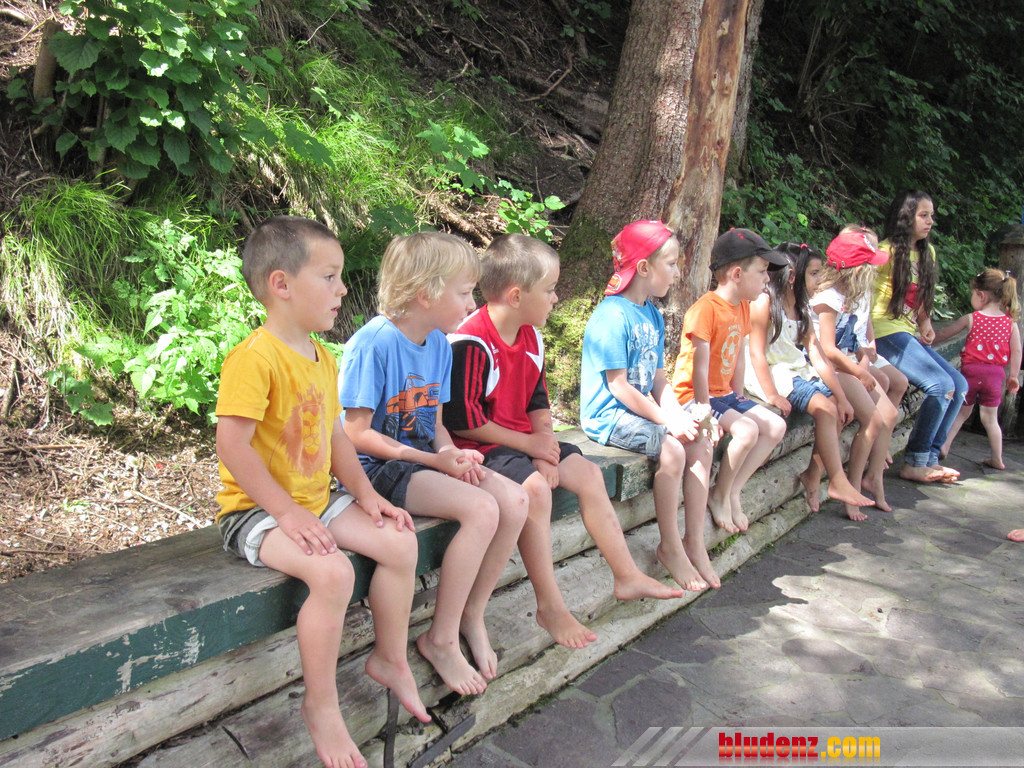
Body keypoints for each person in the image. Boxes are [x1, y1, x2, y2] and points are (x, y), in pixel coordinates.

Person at [215, 216, 429, 768]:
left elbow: (335, 437)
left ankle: (389, 658)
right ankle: (322, 704)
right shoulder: (255, 357)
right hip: (257, 512)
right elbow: (232, 446)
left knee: (400, 542)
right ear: (282, 284)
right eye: (330, 277)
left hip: (317, 499)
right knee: (333, 573)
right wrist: (285, 513)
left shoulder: (322, 356)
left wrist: (366, 494)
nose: (342, 289)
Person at [445, 232, 684, 650]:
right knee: (537, 491)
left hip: (524, 441)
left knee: (588, 474)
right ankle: (550, 606)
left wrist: (545, 445)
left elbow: (537, 401)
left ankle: (626, 574)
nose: (556, 298)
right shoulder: (471, 342)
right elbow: (464, 422)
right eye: (550, 289)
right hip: (483, 449)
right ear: (516, 296)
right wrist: (532, 449)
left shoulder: (532, 336)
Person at [340, 231, 529, 696]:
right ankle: (440, 639)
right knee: (481, 508)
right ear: (425, 293)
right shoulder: (374, 344)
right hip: (376, 470)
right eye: (464, 293)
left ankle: (471, 613)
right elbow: (355, 434)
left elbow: (436, 425)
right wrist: (432, 459)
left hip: (422, 462)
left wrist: (448, 453)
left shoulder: (441, 345)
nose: (472, 304)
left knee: (514, 500)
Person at [580, 220, 719, 592]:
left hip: (642, 412)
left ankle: (694, 540)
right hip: (609, 416)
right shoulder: (612, 316)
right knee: (673, 450)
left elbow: (659, 379)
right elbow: (619, 387)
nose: (677, 273)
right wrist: (668, 422)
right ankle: (670, 546)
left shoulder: (653, 314)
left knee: (701, 439)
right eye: (671, 264)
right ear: (644, 267)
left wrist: (680, 415)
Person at [671, 228, 788, 534]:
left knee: (776, 426)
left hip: (723, 394)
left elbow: (737, 357)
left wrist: (739, 399)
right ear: (737, 274)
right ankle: (719, 494)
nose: (767, 279)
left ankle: (733, 490)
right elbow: (698, 368)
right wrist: (704, 413)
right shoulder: (705, 309)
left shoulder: (743, 306)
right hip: (694, 396)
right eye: (762, 271)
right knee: (747, 431)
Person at [746, 241, 874, 517]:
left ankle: (814, 474)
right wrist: (771, 394)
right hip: (770, 372)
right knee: (825, 408)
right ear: (793, 275)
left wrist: (841, 396)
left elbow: (816, 353)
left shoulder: (802, 307)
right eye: (814, 273)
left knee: (836, 408)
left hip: (794, 368)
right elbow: (756, 353)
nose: (819, 280)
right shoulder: (765, 303)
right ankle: (837, 480)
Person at [871, 190, 968, 483]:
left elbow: (921, 295)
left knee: (959, 386)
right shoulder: (884, 252)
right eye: (923, 215)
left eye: (931, 216)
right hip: (883, 332)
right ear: (906, 216)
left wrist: (925, 322)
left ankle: (930, 458)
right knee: (940, 385)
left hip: (906, 331)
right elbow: (859, 295)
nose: (930, 221)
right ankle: (915, 461)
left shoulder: (928, 252)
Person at [811, 231, 901, 518]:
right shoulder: (829, 298)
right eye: (871, 266)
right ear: (858, 270)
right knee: (872, 420)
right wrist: (859, 372)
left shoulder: (849, 295)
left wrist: (863, 359)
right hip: (828, 367)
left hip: (844, 365)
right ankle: (850, 489)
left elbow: (854, 340)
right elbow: (828, 349)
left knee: (888, 415)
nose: (875, 271)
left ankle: (870, 479)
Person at [933, 267, 1022, 469]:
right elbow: (1017, 351)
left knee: (961, 413)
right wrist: (1013, 376)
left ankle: (944, 445)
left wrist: (927, 339)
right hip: (995, 375)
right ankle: (997, 458)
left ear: (981, 295)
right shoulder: (1010, 324)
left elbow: (944, 333)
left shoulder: (972, 318)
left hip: (971, 372)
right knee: (990, 419)